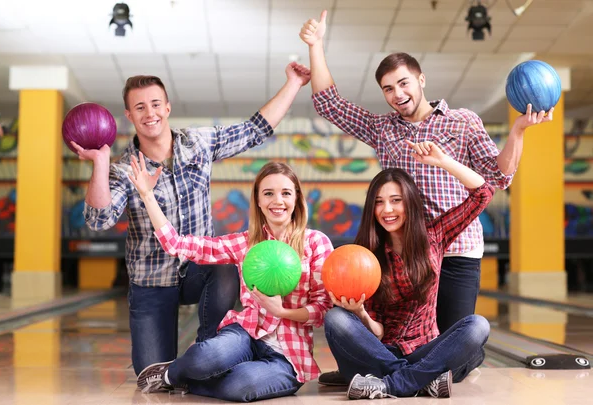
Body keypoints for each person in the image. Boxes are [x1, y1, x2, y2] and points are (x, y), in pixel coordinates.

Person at [299, 11, 553, 340]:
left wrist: (518, 132)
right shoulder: (382, 129)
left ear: (421, 80)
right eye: (388, 88)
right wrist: (316, 45)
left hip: (457, 248)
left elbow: (498, 177)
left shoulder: (462, 121)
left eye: (403, 83)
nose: (397, 93)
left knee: (452, 344)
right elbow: (329, 105)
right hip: (408, 255)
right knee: (406, 341)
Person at [74, 62, 311, 376]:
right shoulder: (123, 169)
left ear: (167, 107)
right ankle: (184, 363)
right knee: (153, 375)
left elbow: (255, 129)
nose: (150, 113)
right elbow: (98, 219)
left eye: (156, 104)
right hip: (152, 280)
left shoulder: (198, 143)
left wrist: (294, 82)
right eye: (140, 107)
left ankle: (208, 347)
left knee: (226, 266)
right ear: (129, 116)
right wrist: (101, 164)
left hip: (201, 269)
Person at [129, 160, 333, 402]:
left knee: (240, 386)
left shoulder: (316, 243)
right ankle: (172, 374)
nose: (277, 201)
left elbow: (322, 309)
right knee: (205, 357)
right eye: (268, 193)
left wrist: (282, 312)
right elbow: (177, 244)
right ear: (258, 200)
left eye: (286, 193)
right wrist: (147, 195)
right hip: (246, 334)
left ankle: (193, 378)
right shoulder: (245, 244)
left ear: (297, 199)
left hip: (287, 356)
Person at [325, 140, 494, 399]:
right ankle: (418, 379)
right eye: (379, 202)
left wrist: (443, 161)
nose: (387, 210)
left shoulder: (434, 235)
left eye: (396, 200)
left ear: (410, 203)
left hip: (422, 351)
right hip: (378, 352)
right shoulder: (364, 254)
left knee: (477, 326)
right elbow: (377, 332)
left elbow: (483, 193)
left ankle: (392, 384)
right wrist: (360, 313)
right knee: (335, 319)